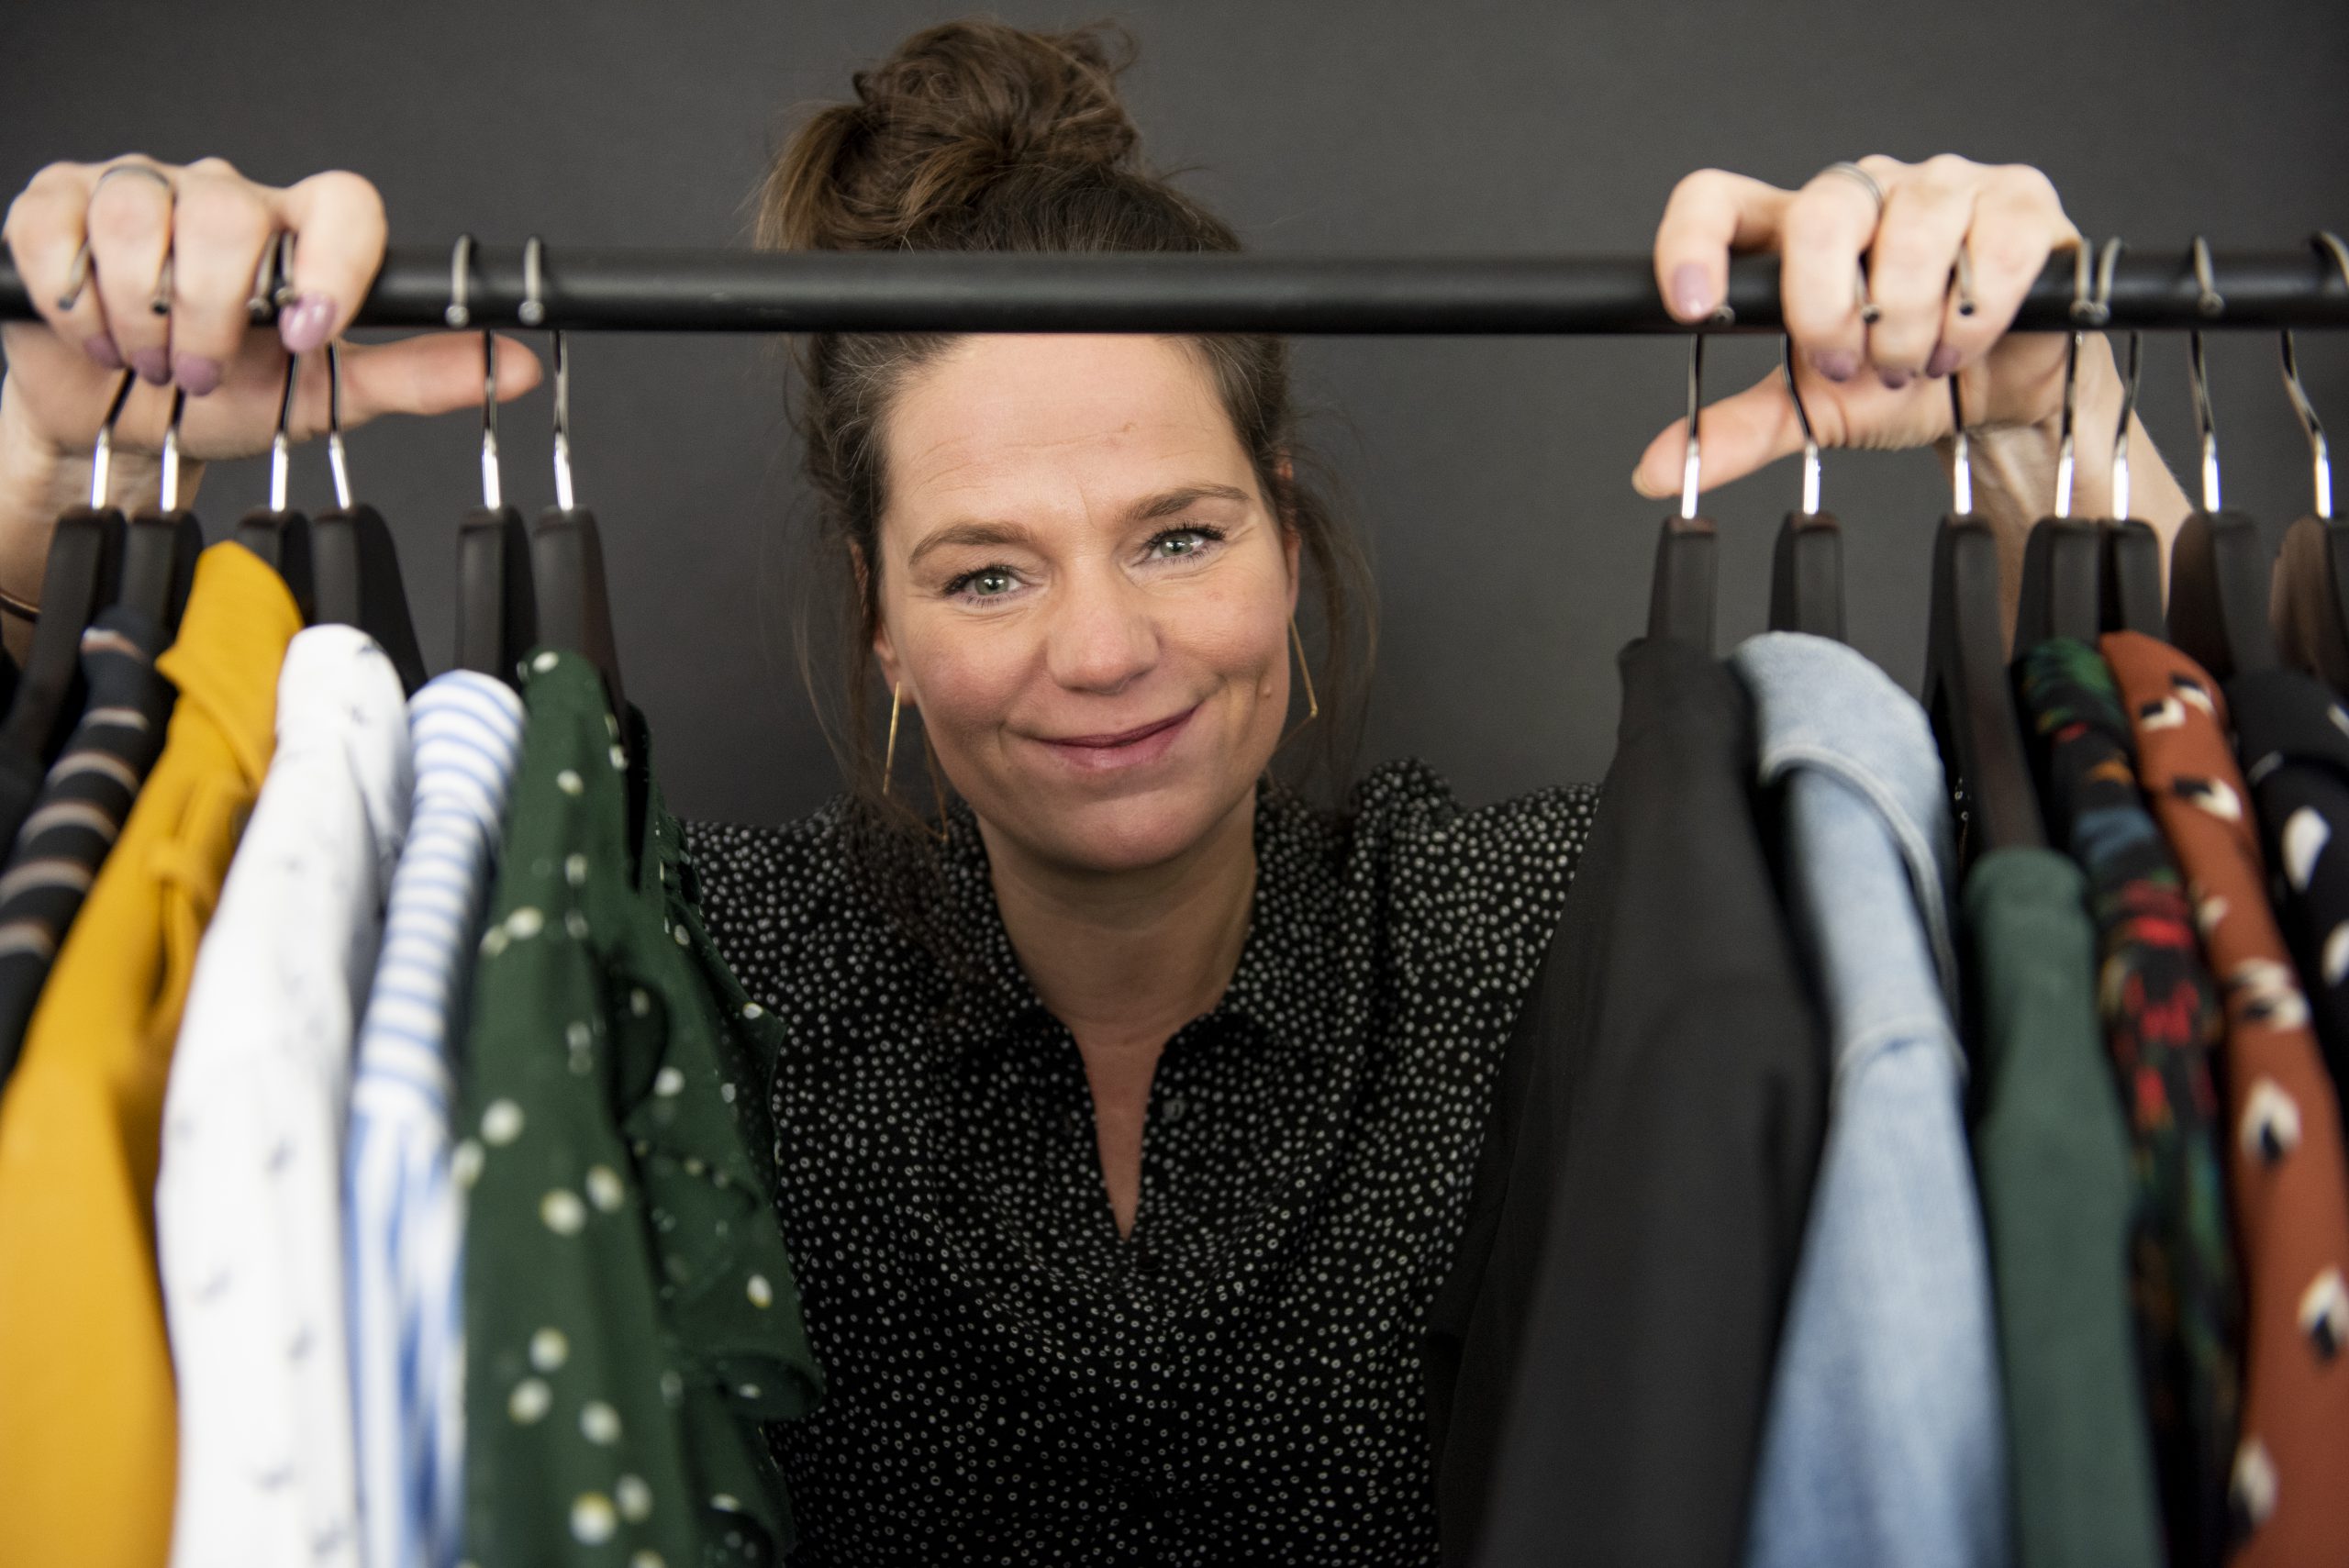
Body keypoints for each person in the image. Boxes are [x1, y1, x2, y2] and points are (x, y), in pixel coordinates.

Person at [0, 17, 2190, 1566]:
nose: (1101, 651)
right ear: (876, 625)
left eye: (1173, 534)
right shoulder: (656, 989)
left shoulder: (1560, 935)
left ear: (1287, 540)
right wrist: (37, 474)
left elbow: (2139, 954)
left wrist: (2042, 418)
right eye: (983, 570)